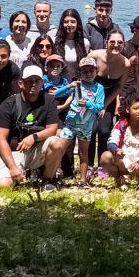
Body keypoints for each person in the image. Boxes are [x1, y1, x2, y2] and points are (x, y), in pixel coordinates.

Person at [0, 65, 62, 191]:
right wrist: (12, 167)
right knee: (2, 186)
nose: (33, 84)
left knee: (56, 142)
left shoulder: (49, 100)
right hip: (12, 152)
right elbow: (0, 139)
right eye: (29, 80)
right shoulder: (8, 104)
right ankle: (17, 172)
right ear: (21, 83)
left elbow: (52, 129)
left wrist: (34, 137)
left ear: (42, 82)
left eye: (37, 80)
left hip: (35, 150)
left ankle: (48, 179)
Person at [48, 55, 105, 183]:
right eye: (85, 71)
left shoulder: (99, 88)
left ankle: (83, 179)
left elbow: (100, 106)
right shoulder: (76, 85)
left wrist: (88, 104)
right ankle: (54, 174)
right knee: (60, 148)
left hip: (86, 125)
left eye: (91, 71)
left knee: (83, 153)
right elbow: (55, 94)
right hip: (70, 123)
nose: (88, 74)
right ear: (79, 72)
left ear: (97, 71)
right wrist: (68, 86)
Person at [102, 97, 139, 189]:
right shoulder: (120, 124)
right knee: (105, 157)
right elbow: (111, 141)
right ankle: (119, 178)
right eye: (135, 108)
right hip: (122, 161)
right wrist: (116, 150)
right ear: (128, 110)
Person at [52, 8, 89, 76]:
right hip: (59, 83)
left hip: (77, 81)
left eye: (73, 22)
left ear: (78, 23)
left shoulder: (85, 43)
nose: (69, 25)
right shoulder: (54, 42)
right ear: (62, 23)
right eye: (66, 22)